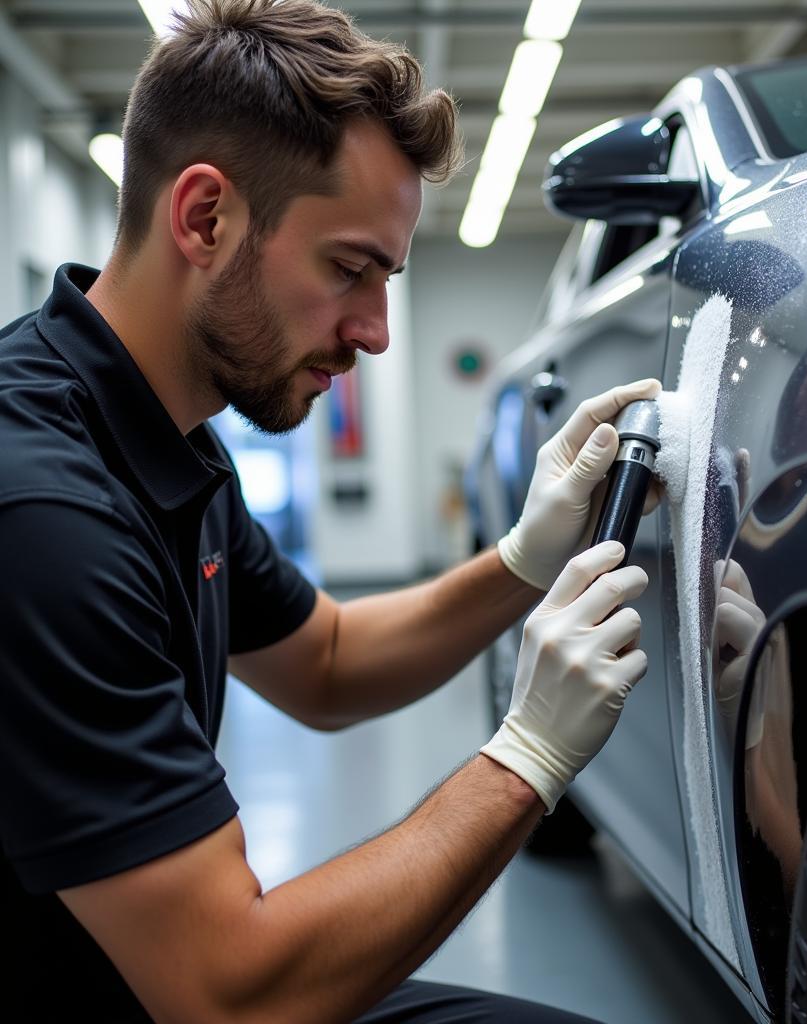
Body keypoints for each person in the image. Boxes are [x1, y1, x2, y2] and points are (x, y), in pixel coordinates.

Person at [0, 2, 661, 1021]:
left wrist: (526, 556)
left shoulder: (170, 441)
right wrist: (527, 754)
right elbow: (232, 994)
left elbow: (327, 659)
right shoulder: (43, 513)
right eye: (350, 268)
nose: (376, 332)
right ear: (205, 218)